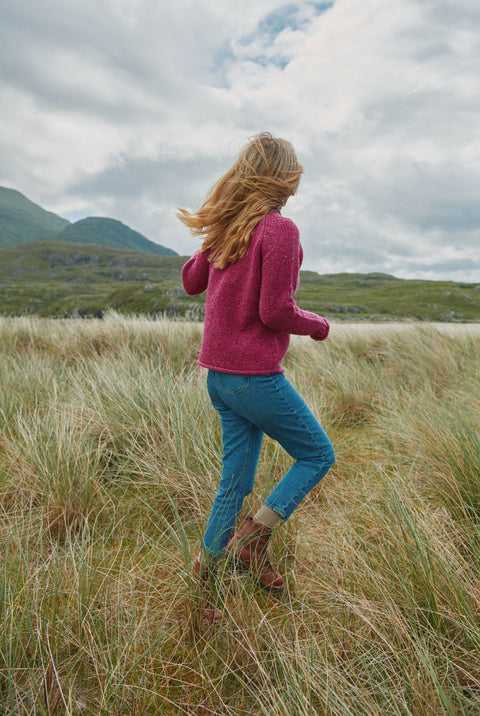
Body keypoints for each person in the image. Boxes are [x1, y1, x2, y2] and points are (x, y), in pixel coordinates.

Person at [178, 131, 335, 625]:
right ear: (284, 178)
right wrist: (317, 326)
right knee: (317, 454)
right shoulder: (278, 229)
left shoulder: (232, 227)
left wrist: (217, 228)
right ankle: (252, 539)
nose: (296, 184)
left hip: (219, 379)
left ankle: (205, 585)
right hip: (252, 378)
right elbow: (275, 310)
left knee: (234, 481)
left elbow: (189, 282)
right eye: (295, 175)